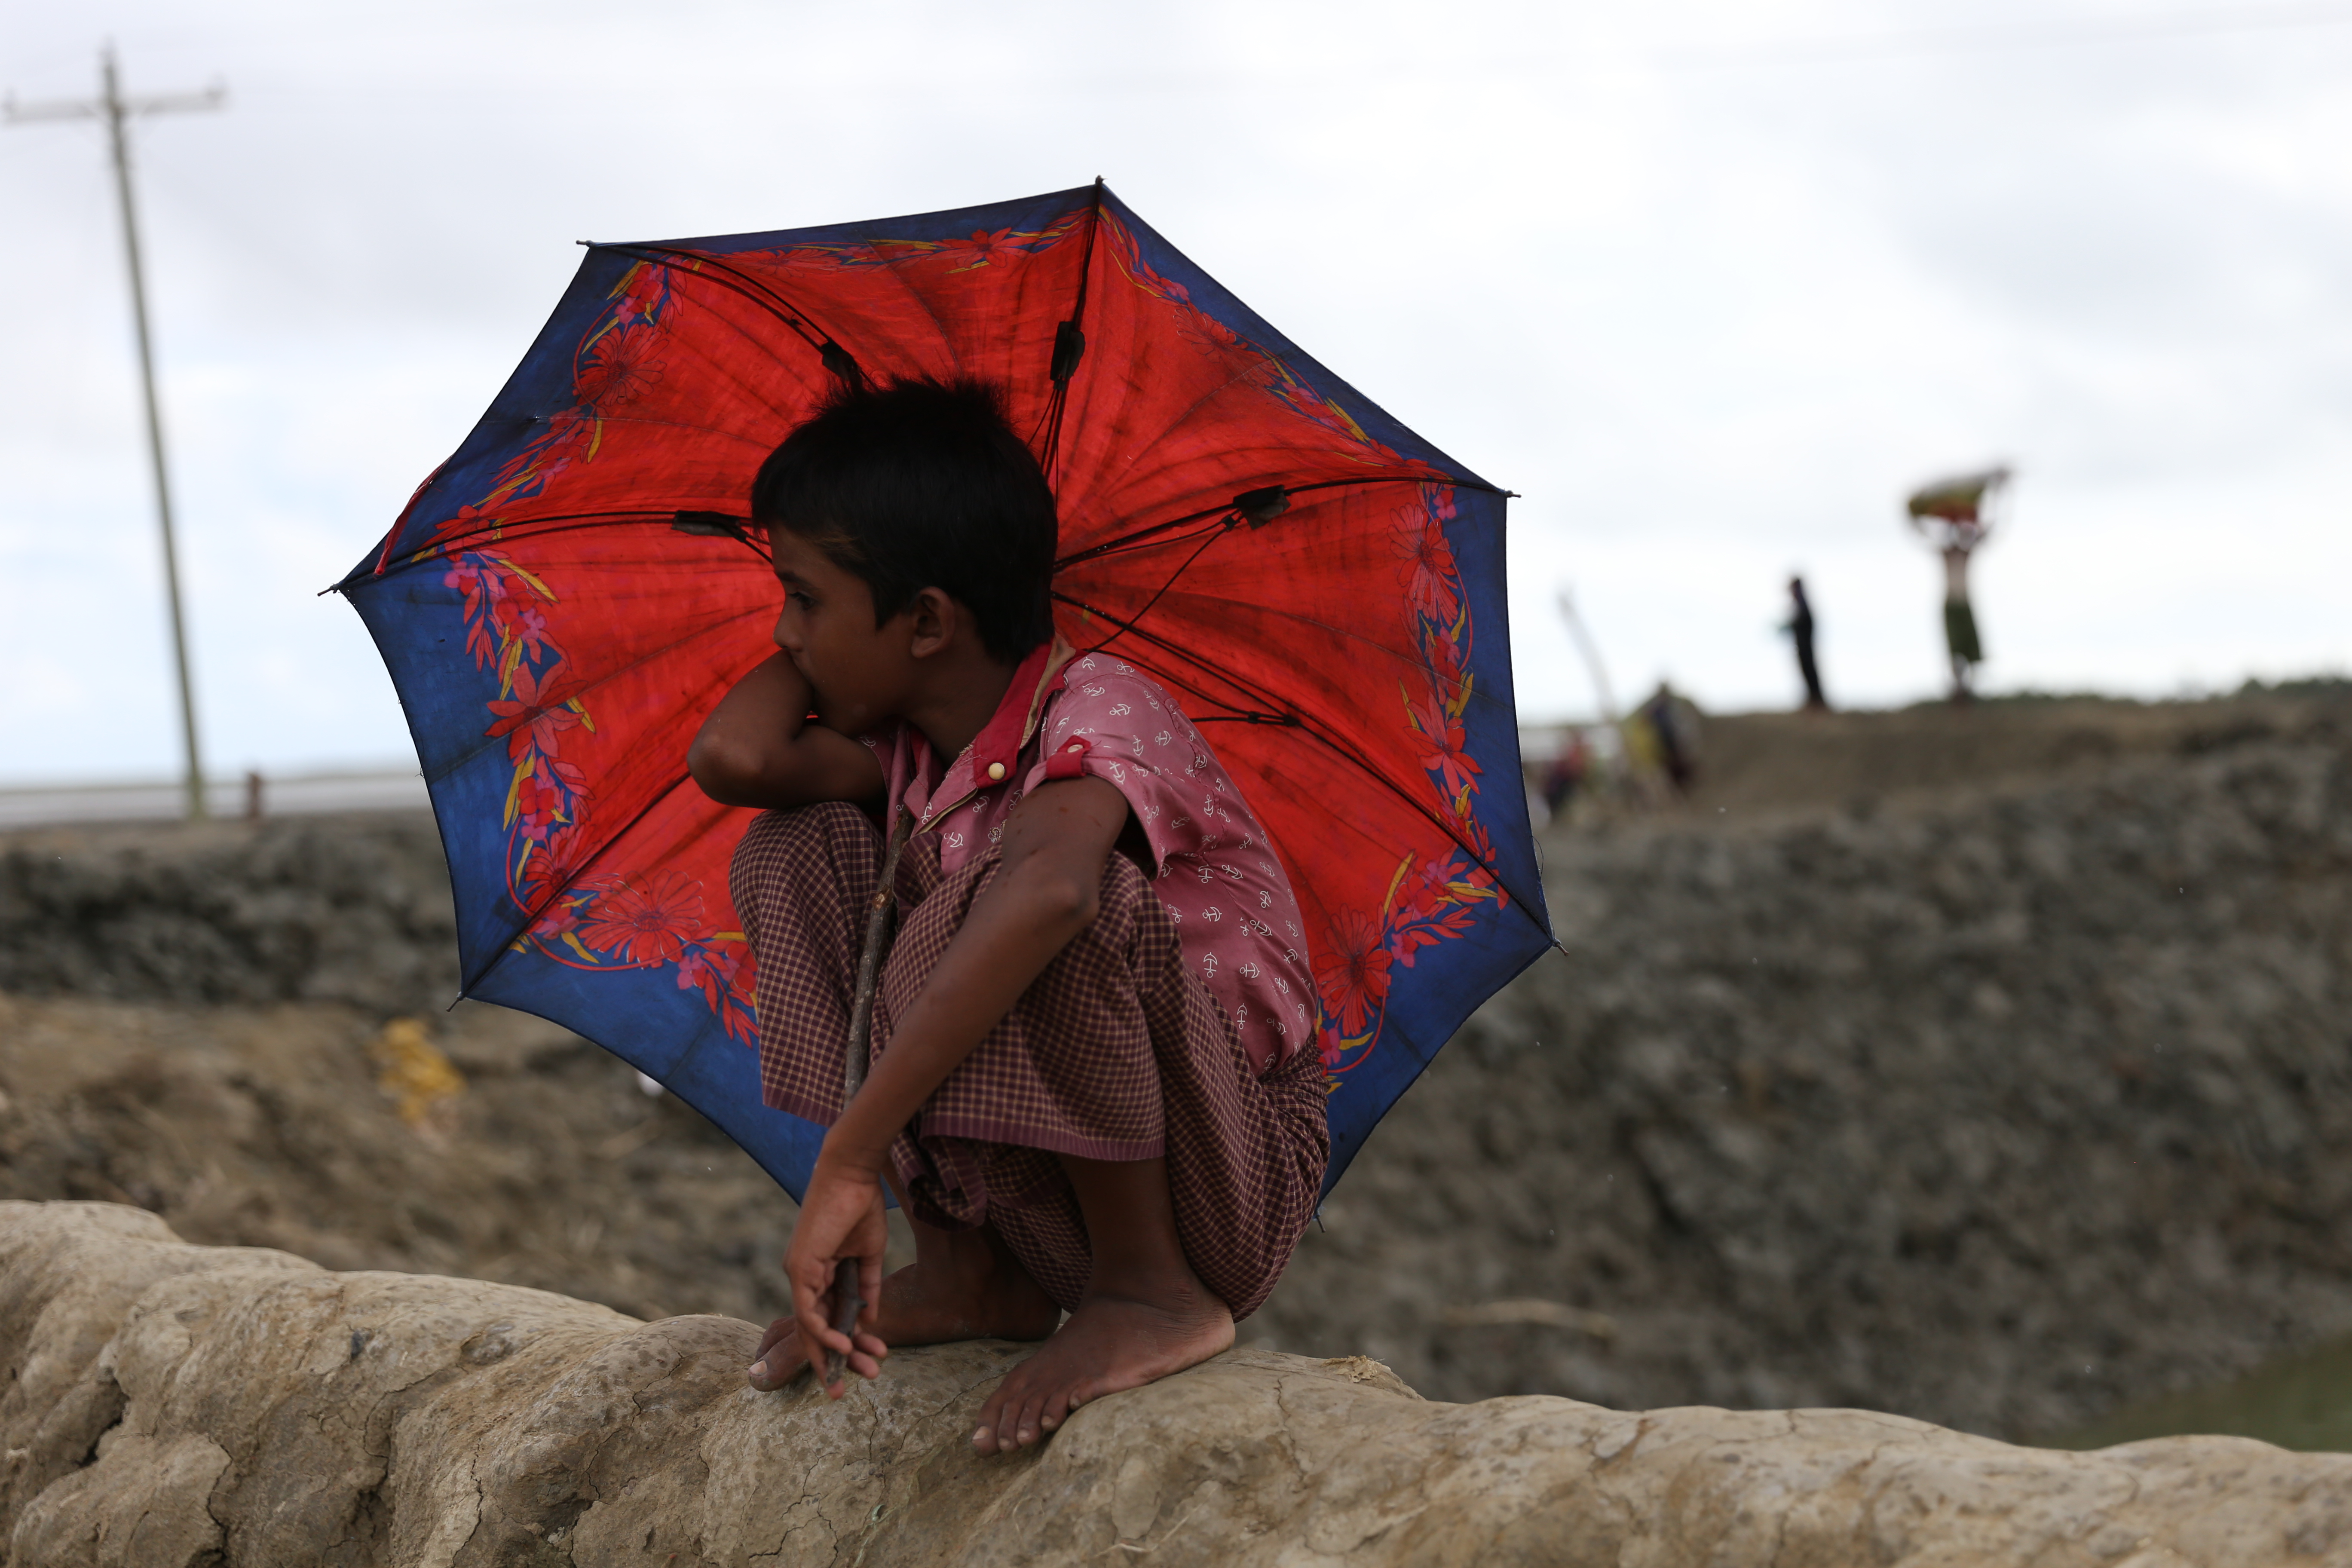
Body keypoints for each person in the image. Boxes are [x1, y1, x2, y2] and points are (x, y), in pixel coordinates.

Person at [686, 377, 1329, 1455]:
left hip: (1219, 1178)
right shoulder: (906, 755)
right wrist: (828, 636)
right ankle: (972, 1274)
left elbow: (1053, 893)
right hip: (1033, 1202)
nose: (783, 632)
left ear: (929, 619)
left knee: (1032, 905)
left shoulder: (1102, 704)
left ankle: (1150, 1293)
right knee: (800, 845)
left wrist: (848, 1161)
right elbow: (737, 761)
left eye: (802, 599)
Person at [1784, 576, 1829, 711]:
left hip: (1806, 649)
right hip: (1802, 649)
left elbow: (1802, 625)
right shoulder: (1800, 606)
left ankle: (1817, 703)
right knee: (1807, 674)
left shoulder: (1803, 607)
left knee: (1810, 673)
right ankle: (1813, 703)